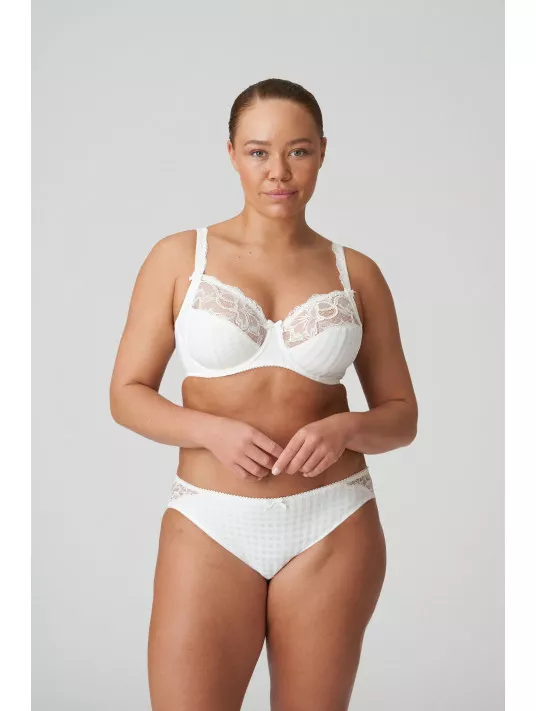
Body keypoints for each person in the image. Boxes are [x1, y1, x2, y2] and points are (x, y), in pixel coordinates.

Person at [110, 77, 418, 711]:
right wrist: (209, 430)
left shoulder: (356, 272)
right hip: (210, 522)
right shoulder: (180, 257)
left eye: (298, 151)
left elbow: (401, 416)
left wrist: (345, 428)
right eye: (258, 152)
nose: (279, 171)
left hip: (333, 522)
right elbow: (127, 394)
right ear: (231, 154)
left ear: (323, 152)